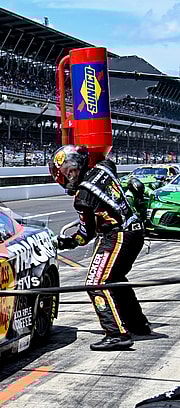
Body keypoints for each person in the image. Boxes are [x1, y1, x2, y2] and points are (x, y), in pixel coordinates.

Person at [51, 145, 151, 351]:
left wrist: (66, 242)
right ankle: (138, 324)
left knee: (95, 283)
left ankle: (116, 334)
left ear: (72, 170)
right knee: (115, 278)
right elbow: (102, 156)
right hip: (136, 231)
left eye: (63, 173)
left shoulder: (82, 197)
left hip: (118, 235)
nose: (63, 179)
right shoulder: (105, 168)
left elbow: (85, 234)